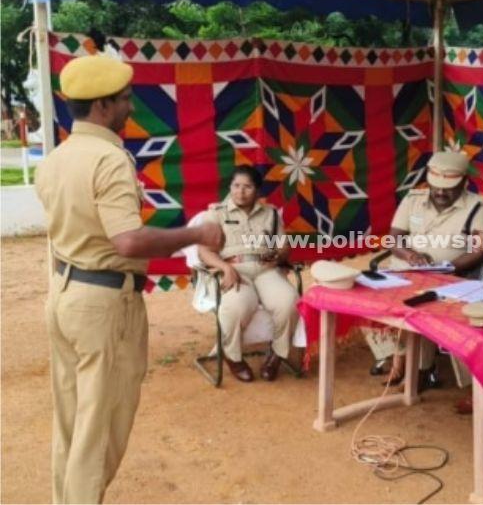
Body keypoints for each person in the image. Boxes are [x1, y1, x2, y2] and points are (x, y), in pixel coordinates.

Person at [35, 54, 224, 504]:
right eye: (124, 99)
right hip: (104, 307)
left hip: (65, 296)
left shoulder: (56, 159)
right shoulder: (108, 159)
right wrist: (198, 233)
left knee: (71, 425)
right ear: (102, 105)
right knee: (98, 432)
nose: (131, 106)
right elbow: (129, 242)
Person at [365, 150, 483, 386]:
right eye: (436, 186)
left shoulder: (479, 207)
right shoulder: (413, 199)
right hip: (402, 271)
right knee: (366, 299)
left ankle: (421, 368)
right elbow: (393, 239)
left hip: (449, 278)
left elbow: (479, 251)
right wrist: (410, 255)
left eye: (448, 188)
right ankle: (398, 356)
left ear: (465, 182)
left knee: (421, 308)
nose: (440, 192)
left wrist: (446, 267)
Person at [197, 165, 299, 383]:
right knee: (236, 305)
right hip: (235, 270)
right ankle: (233, 357)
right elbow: (204, 251)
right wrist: (225, 268)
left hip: (266, 269)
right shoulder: (216, 213)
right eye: (236, 186)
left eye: (247, 187)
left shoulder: (270, 213)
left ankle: (277, 354)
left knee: (289, 301)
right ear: (230, 187)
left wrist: (278, 255)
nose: (240, 192)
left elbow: (283, 245)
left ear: (257, 190)